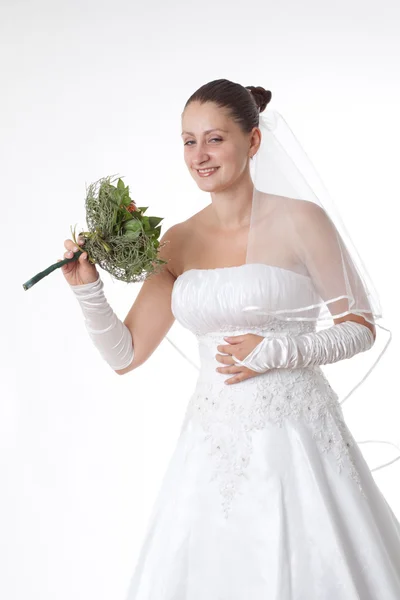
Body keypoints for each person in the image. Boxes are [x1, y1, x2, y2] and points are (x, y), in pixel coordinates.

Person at [61, 80, 400, 599]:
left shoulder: (302, 221)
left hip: (299, 437)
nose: (199, 155)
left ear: (253, 142)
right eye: (188, 141)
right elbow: (125, 355)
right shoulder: (175, 240)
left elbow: (360, 326)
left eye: (214, 139)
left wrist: (281, 351)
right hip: (212, 444)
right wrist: (88, 293)